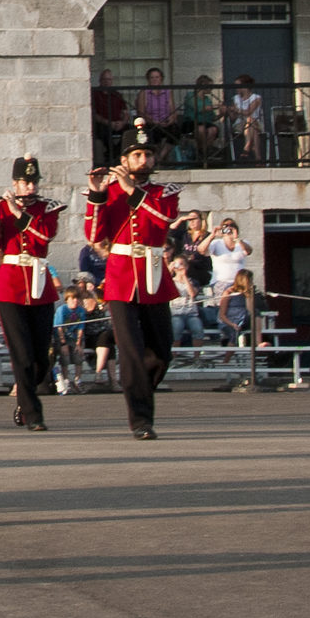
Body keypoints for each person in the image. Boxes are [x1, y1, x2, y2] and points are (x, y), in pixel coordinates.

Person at [83, 115, 184, 440]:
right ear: (124, 160)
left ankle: (140, 388)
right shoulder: (111, 191)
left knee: (161, 351)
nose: (144, 160)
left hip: (154, 275)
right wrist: (97, 196)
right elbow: (94, 234)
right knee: (129, 351)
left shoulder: (164, 191)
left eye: (148, 154)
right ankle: (141, 419)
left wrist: (131, 191)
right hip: (122, 276)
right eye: (137, 155)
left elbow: (164, 218)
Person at [0, 158, 62, 431]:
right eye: (25, 182)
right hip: (10, 287)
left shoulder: (47, 208)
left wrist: (19, 214)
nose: (30, 187)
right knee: (22, 355)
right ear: (15, 184)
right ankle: (33, 414)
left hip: (40, 286)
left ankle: (24, 399)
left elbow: (44, 236)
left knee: (41, 358)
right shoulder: (3, 207)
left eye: (33, 182)